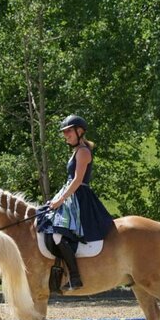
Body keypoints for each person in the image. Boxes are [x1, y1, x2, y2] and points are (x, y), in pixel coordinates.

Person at [39, 114, 114, 291]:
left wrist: (60, 199)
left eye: (68, 131)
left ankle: (75, 276)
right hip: (70, 194)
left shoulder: (83, 152)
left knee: (58, 234)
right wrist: (56, 198)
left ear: (79, 131)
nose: (66, 135)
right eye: (64, 132)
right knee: (48, 226)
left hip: (78, 198)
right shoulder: (76, 151)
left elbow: (77, 180)